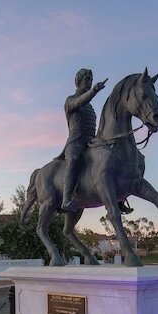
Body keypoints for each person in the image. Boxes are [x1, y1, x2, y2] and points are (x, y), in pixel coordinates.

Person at [60, 68, 106, 212]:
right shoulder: (70, 100)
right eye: (87, 80)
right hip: (76, 141)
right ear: (78, 81)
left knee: (110, 158)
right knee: (74, 160)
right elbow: (80, 101)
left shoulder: (90, 106)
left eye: (91, 80)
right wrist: (94, 91)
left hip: (92, 141)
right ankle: (66, 199)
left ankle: (119, 198)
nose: (89, 82)